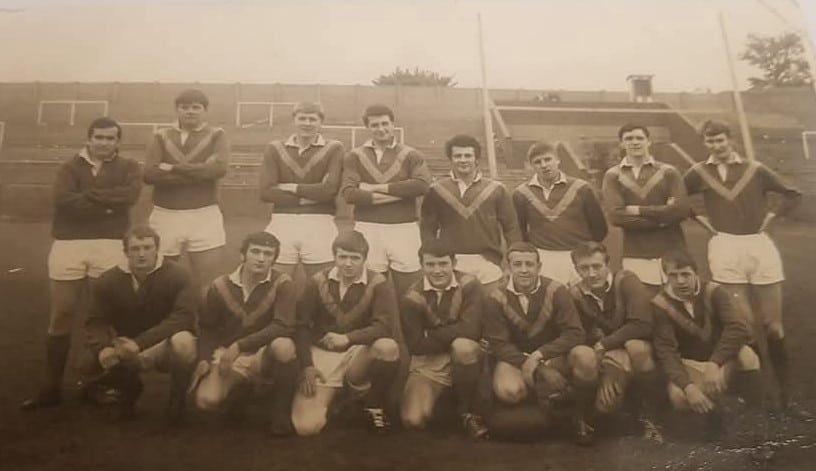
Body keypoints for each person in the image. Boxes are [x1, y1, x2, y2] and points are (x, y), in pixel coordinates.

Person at [683, 119, 810, 420]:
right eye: (710, 141)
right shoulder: (699, 172)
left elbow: (792, 194)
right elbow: (676, 197)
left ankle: (786, 394)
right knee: (744, 326)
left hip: (758, 244)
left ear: (730, 139)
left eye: (720, 140)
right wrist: (702, 222)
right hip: (725, 246)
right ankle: (761, 395)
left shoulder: (755, 169)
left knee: (773, 326)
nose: (717, 146)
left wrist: (769, 219)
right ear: (706, 144)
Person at [22, 117, 142, 410]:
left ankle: (95, 385)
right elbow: (63, 200)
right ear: (89, 139)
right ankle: (51, 389)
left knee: (102, 316)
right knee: (62, 314)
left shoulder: (129, 167)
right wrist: (107, 204)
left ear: (118, 141)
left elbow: (130, 197)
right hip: (69, 244)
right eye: (99, 137)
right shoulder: (69, 167)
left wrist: (89, 197)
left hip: (110, 244)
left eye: (110, 138)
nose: (104, 143)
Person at [80, 226, 198, 422]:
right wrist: (102, 349)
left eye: (147, 247)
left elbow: (183, 317)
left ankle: (177, 401)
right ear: (126, 252)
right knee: (85, 362)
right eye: (135, 249)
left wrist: (140, 344)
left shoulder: (179, 275)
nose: (142, 254)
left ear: (157, 249)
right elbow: (95, 321)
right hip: (127, 345)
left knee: (184, 342)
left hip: (164, 343)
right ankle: (128, 390)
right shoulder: (108, 280)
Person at [484, 242, 597, 445]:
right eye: (518, 264)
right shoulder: (495, 297)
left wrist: (540, 356)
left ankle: (581, 417)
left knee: (585, 356)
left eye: (529, 264)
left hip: (553, 355)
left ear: (539, 266)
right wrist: (538, 370)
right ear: (508, 268)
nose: (524, 270)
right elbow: (498, 344)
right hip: (516, 359)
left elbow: (575, 333)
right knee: (509, 391)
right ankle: (552, 406)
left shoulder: (556, 290)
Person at [291, 231, 401, 435]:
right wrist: (306, 364)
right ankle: (337, 399)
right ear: (334, 257)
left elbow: (384, 326)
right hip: (323, 354)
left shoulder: (378, 284)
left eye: (355, 258)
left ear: (364, 259)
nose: (348, 264)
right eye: (342, 257)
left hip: (357, 353)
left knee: (388, 347)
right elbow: (301, 325)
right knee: (306, 427)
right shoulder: (317, 282)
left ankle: (373, 405)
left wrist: (348, 338)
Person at [191, 232, 299, 436]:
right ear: (243, 255)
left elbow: (283, 325)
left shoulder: (283, 283)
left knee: (284, 346)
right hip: (229, 357)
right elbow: (208, 327)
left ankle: (280, 411)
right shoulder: (220, 285)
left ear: (274, 259)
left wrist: (239, 346)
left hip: (263, 354)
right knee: (206, 401)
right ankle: (242, 391)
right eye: (255, 252)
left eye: (268, 254)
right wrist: (205, 357)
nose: (261, 258)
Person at [652, 249, 764, 439]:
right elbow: (666, 351)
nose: (680, 281)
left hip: (721, 360)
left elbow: (737, 328)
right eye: (673, 275)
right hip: (690, 363)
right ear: (666, 277)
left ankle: (755, 417)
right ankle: (717, 417)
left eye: (685, 274)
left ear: (696, 273)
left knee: (748, 356)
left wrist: (715, 363)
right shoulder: (660, 304)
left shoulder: (714, 291)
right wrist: (688, 386)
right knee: (679, 398)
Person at [569, 242, 661, 441]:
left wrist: (605, 344)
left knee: (636, 348)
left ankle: (649, 417)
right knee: (606, 404)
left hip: (634, 350)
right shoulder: (575, 294)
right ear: (576, 269)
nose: (592, 274)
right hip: (606, 358)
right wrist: (609, 363)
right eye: (584, 268)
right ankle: (583, 417)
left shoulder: (626, 281)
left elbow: (642, 324)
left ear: (607, 264)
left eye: (597, 266)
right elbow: (581, 336)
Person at [400, 239, 488, 439]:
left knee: (463, 347)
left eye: (443, 263)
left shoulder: (470, 285)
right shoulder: (411, 297)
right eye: (430, 264)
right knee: (413, 421)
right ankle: (447, 401)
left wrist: (431, 335)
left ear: (454, 263)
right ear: (421, 265)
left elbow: (471, 330)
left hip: (466, 354)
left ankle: (467, 412)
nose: (437, 270)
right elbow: (416, 345)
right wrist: (458, 330)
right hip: (429, 361)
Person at [143, 88, 229, 291]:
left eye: (196, 107)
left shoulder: (217, 135)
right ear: (177, 110)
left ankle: (204, 322)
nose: (190, 111)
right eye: (184, 107)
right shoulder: (161, 136)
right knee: (160, 279)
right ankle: (166, 321)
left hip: (204, 213)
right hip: (165, 213)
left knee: (208, 281)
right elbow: (150, 174)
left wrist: (172, 167)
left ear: (205, 110)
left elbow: (218, 169)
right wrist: (199, 171)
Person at [341, 104, 431, 296]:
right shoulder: (354, 156)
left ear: (393, 124)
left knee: (410, 288)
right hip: (367, 227)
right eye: (375, 125)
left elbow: (422, 186)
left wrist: (374, 188)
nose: (381, 129)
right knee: (371, 288)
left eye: (385, 123)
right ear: (367, 127)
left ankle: (409, 327)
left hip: (403, 227)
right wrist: (401, 194)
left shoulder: (411, 155)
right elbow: (349, 194)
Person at [421, 134, 521, 292]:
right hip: (452, 263)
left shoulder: (497, 189)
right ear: (451, 159)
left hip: (489, 261)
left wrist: (514, 261)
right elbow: (427, 228)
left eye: (468, 155)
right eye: (457, 156)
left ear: (476, 159)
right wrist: (432, 259)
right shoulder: (436, 189)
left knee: (491, 309)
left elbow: (511, 228)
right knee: (457, 312)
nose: (463, 160)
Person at [259, 102, 345, 280]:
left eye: (312, 119)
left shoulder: (334, 147)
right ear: (294, 120)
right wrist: (309, 197)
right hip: (282, 220)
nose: (307, 123)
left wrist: (292, 187)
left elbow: (329, 191)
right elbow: (266, 192)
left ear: (321, 122)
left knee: (323, 286)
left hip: (320, 222)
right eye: (302, 118)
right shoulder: (274, 148)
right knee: (276, 283)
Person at [602, 124, 690, 289]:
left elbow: (681, 211)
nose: (635, 142)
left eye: (639, 138)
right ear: (621, 143)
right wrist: (663, 218)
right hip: (636, 252)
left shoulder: (669, 171)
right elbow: (616, 216)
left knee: (677, 303)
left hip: (672, 249)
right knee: (642, 304)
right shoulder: (613, 175)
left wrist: (638, 210)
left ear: (649, 141)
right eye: (629, 139)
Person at [514, 141, 607, 284]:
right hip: (543, 258)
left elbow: (600, 228)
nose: (544, 165)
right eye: (538, 162)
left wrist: (584, 251)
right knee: (549, 301)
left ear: (558, 160)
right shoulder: (521, 193)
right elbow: (520, 230)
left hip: (578, 256)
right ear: (532, 166)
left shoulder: (582, 188)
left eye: (548, 159)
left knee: (583, 301)